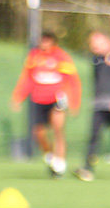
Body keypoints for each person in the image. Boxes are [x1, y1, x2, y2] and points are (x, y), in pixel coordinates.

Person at [12, 32, 79, 177]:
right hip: (38, 99)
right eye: (42, 40)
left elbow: (72, 80)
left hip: (56, 99)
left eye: (47, 41)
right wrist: (18, 97)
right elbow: (27, 78)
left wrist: (74, 102)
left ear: (53, 42)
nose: (44, 43)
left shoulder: (61, 57)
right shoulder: (34, 56)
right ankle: (50, 155)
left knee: (58, 130)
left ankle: (60, 162)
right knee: (39, 133)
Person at [75, 30, 110, 181]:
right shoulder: (97, 60)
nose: (94, 48)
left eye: (97, 44)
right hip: (99, 104)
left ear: (107, 41)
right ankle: (87, 168)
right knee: (94, 136)